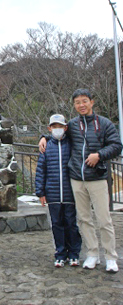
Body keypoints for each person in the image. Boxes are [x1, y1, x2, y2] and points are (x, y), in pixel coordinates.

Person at [39, 89, 122, 273]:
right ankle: (92, 253)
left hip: (97, 177)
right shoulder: (73, 125)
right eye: (77, 102)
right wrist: (43, 138)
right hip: (76, 178)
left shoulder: (105, 124)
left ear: (92, 102)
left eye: (84, 101)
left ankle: (110, 256)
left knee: (104, 219)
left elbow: (117, 145)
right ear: (74, 105)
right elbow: (56, 133)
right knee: (84, 219)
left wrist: (99, 155)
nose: (81, 105)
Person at [36, 114, 81, 267]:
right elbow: (40, 171)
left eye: (60, 126)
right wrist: (40, 192)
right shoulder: (46, 146)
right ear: (50, 128)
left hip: (70, 193)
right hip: (53, 193)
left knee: (71, 224)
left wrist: (43, 137)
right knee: (57, 224)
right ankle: (60, 254)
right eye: (54, 127)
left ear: (65, 128)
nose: (57, 129)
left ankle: (74, 253)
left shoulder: (71, 144)